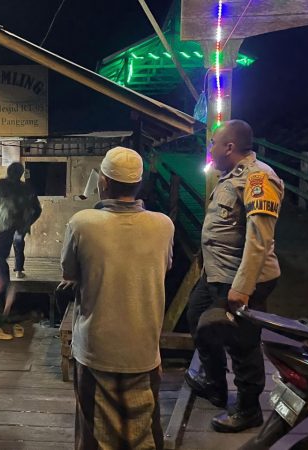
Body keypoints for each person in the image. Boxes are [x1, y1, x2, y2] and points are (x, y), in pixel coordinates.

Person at [60, 147, 174, 450]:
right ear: (139, 184)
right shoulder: (163, 225)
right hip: (144, 349)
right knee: (144, 431)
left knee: (94, 435)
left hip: (95, 348)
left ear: (104, 182)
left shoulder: (82, 223)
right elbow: (164, 267)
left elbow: (69, 273)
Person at [185, 120, 284, 433]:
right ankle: (214, 384)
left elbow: (259, 239)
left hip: (241, 278)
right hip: (217, 273)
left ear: (229, 147)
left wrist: (242, 288)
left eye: (213, 143)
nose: (210, 149)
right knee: (197, 318)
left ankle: (248, 408)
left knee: (242, 342)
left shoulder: (258, 178)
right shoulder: (230, 176)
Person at [0, 162, 42, 340]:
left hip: (5, 225)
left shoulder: (2, 184)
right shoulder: (27, 188)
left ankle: (5, 285)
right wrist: (27, 223)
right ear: (21, 173)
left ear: (8, 172)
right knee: (19, 245)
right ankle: (19, 270)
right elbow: (38, 210)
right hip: (20, 226)